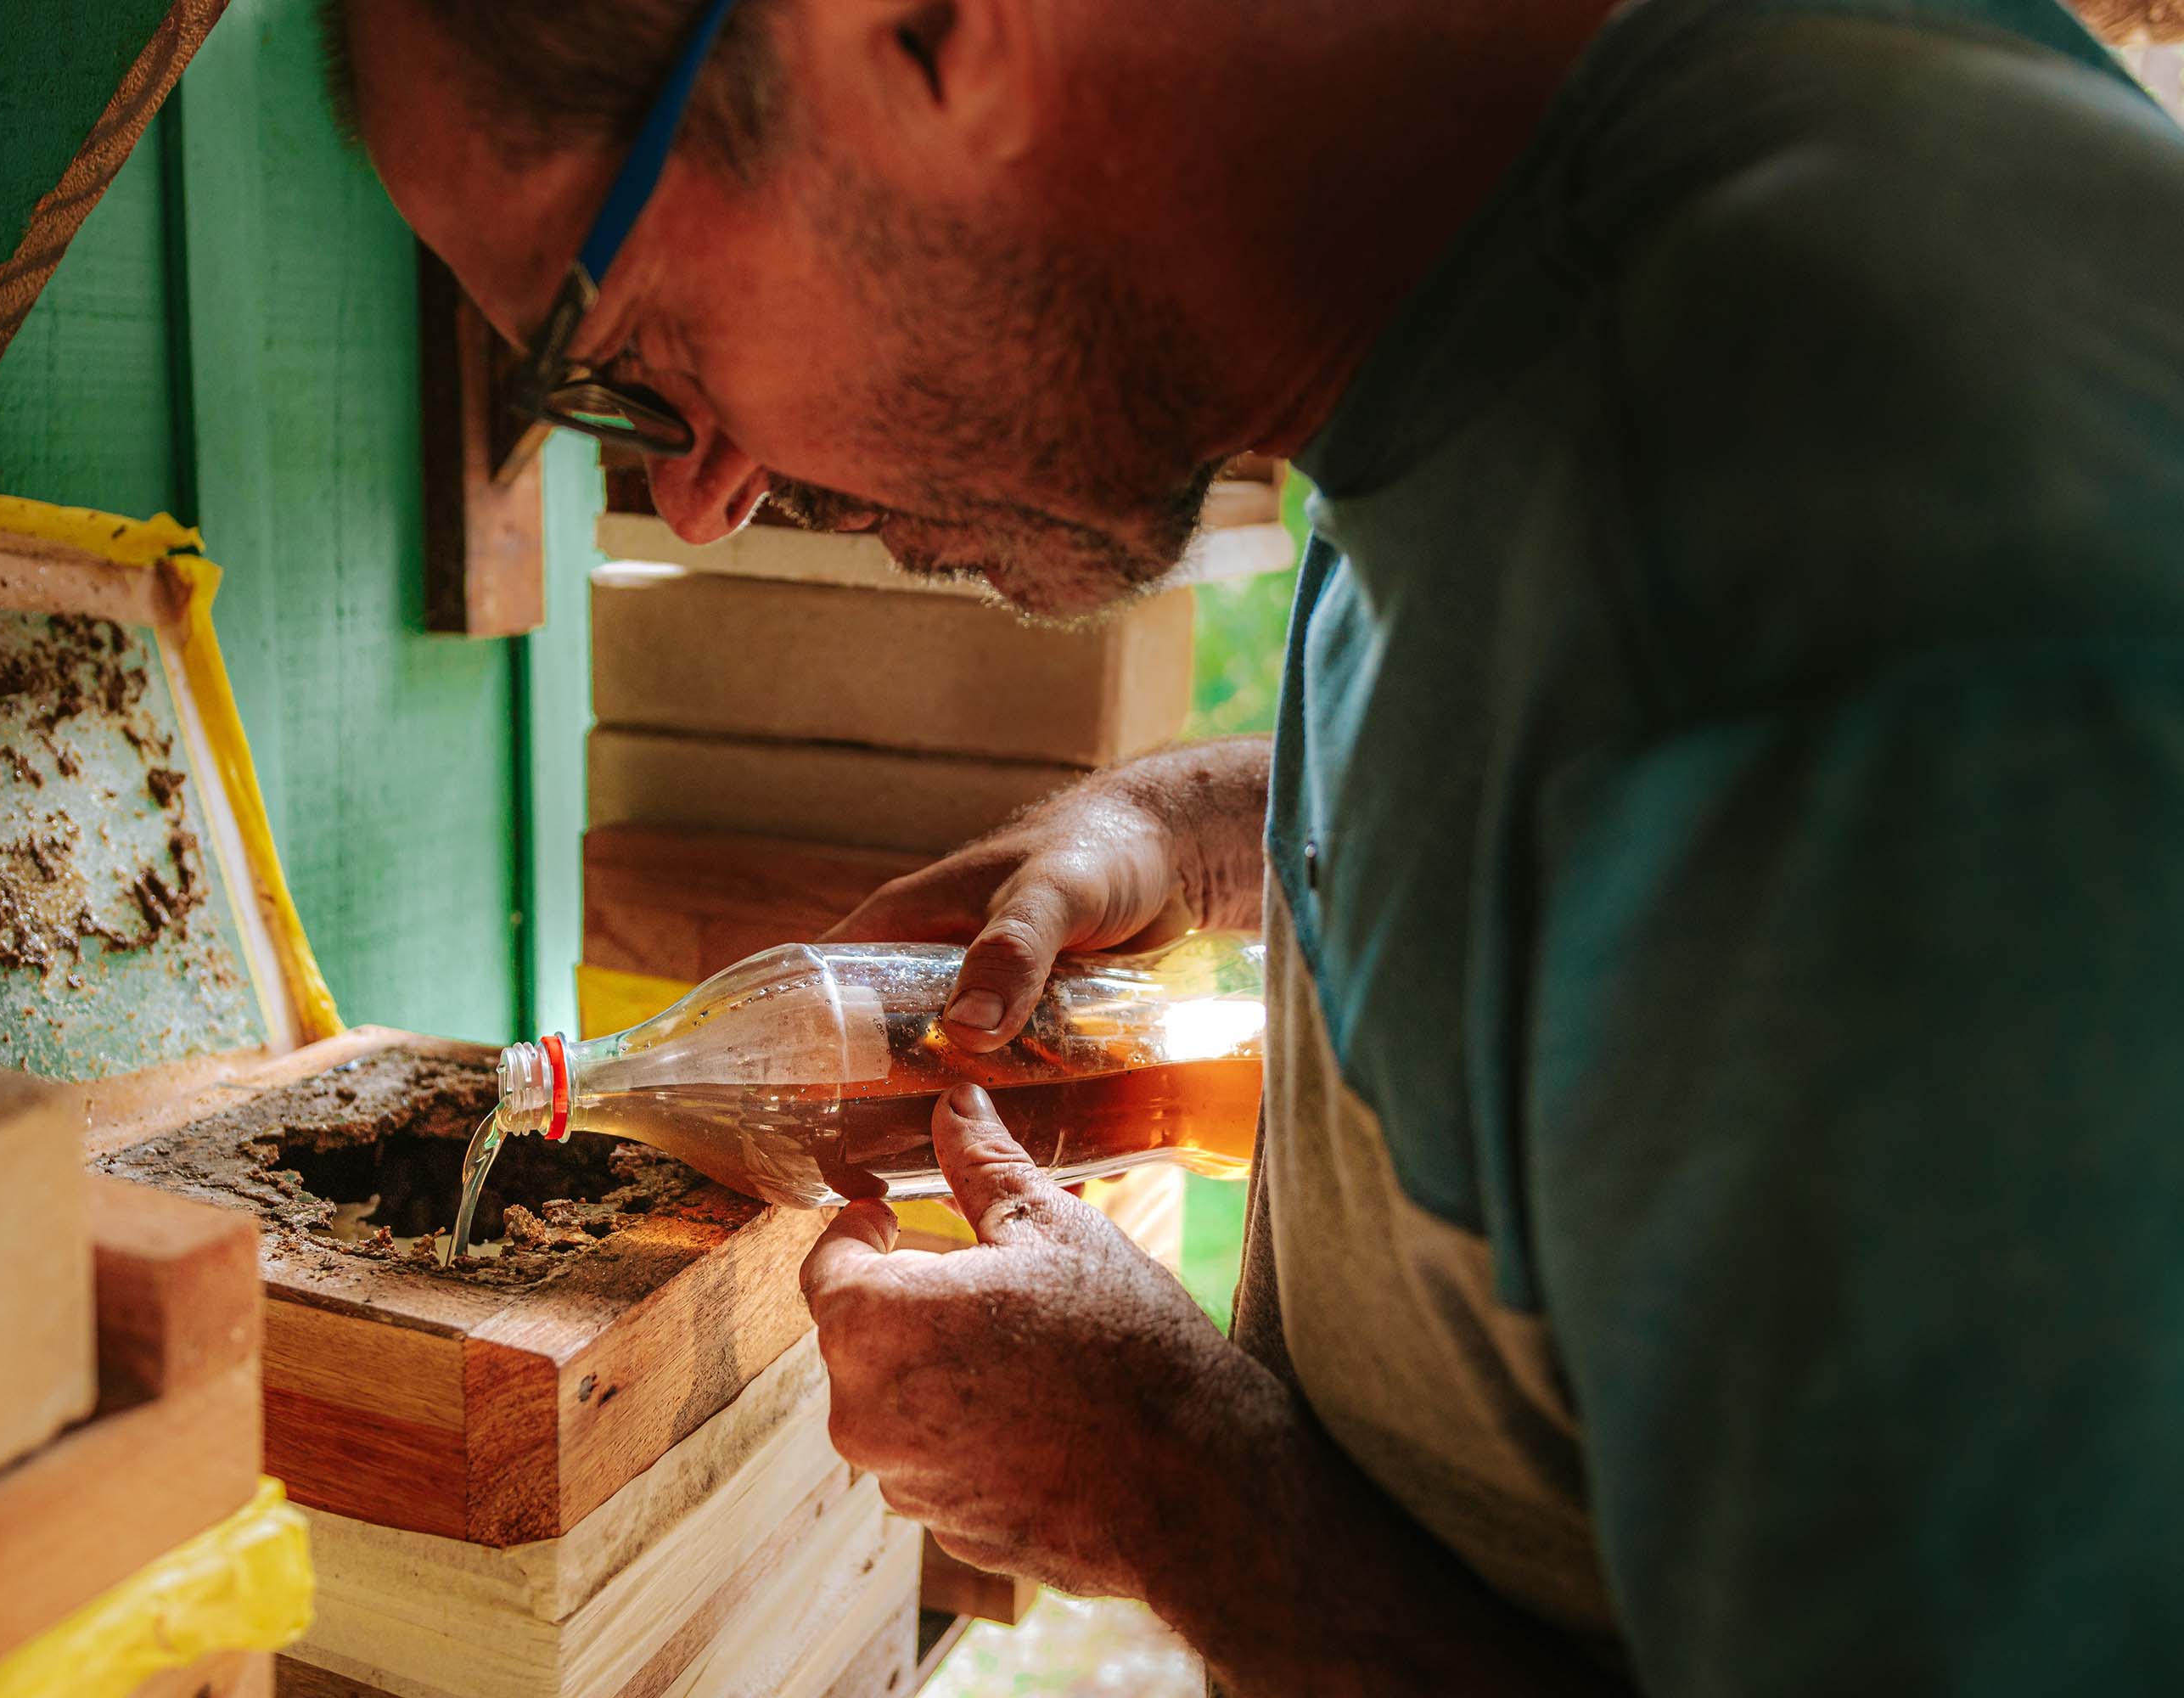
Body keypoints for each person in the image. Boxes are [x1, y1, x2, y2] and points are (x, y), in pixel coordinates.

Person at [323, 0, 2184, 1688]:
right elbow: (1589, 757)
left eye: (630, 351)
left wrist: (1181, 1493)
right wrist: (1204, 825)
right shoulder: (1542, 294)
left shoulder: (1871, 626)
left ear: (914, 30)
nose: (702, 493)